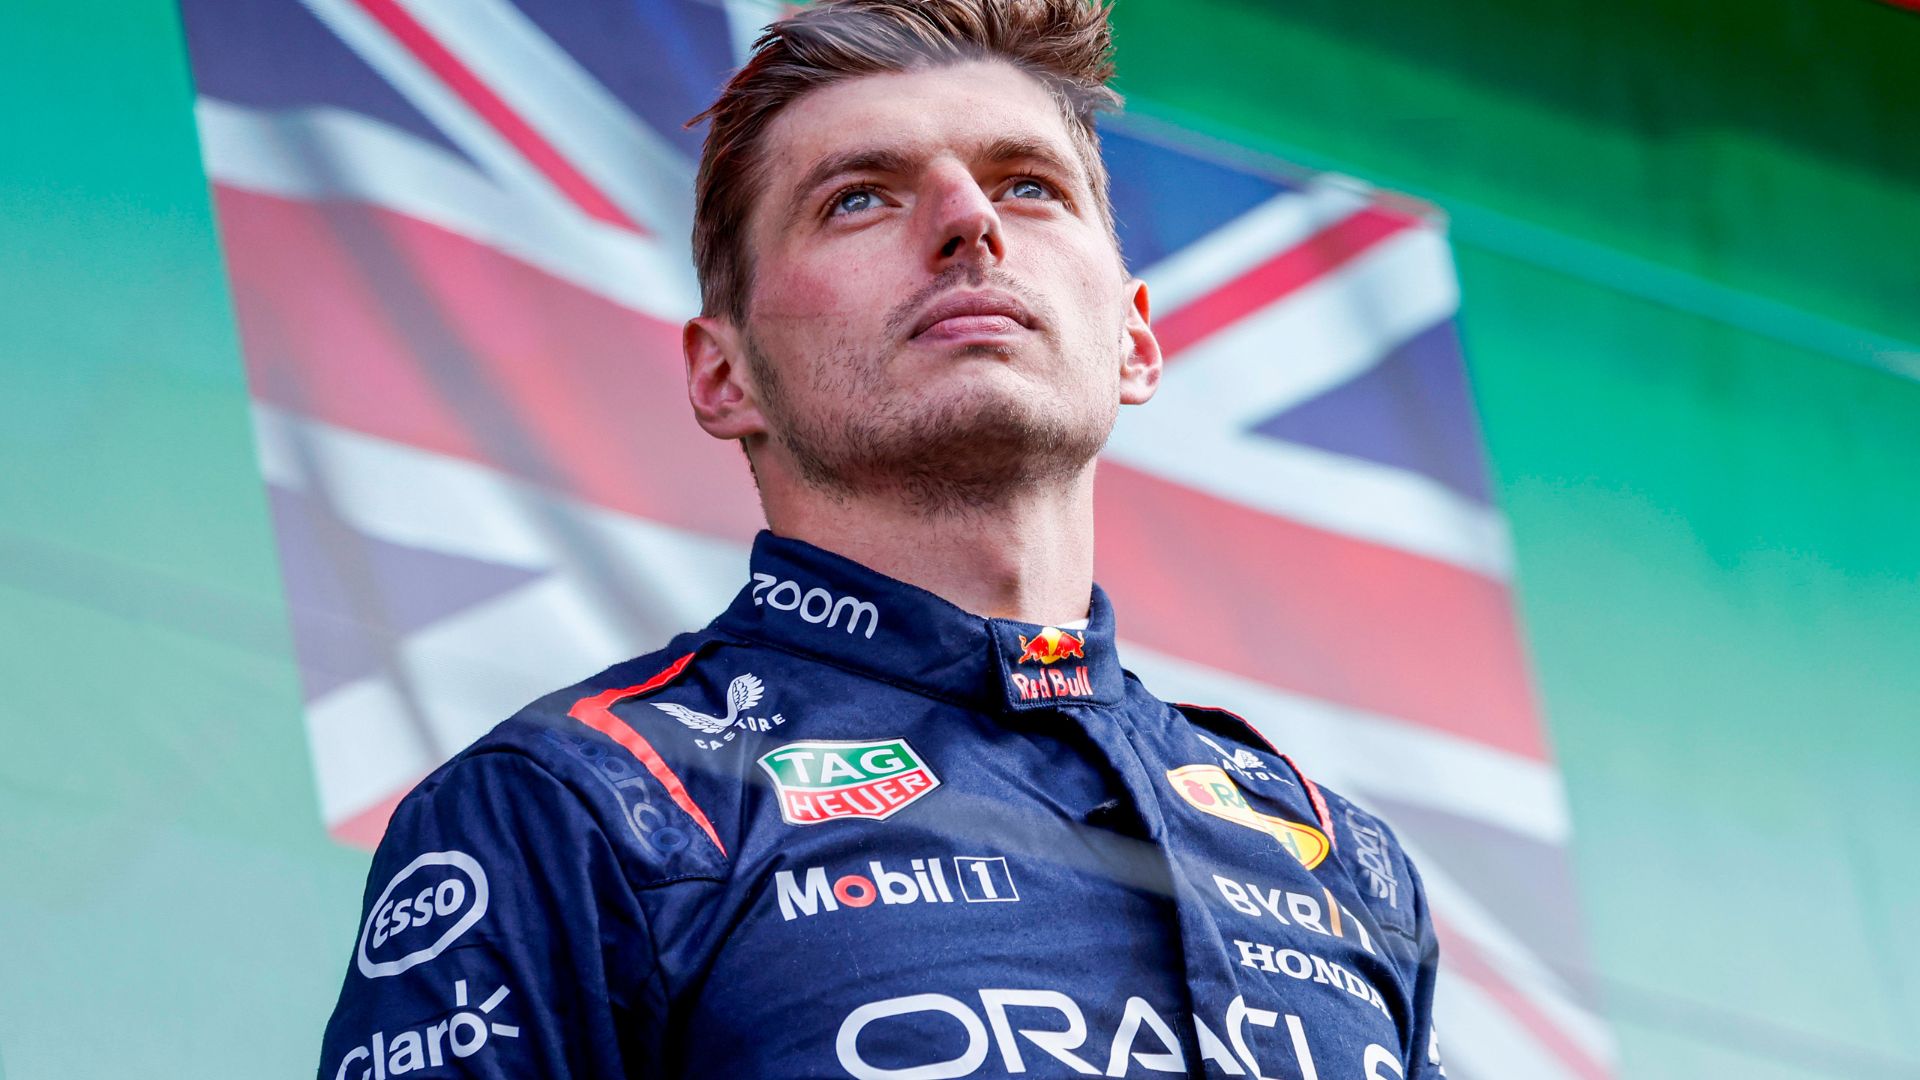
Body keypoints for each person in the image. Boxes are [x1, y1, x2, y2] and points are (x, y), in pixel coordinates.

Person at [318, 1, 1447, 1077]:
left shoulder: (1334, 851)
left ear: (1135, 342)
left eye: (1029, 184)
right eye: (858, 198)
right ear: (724, 373)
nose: (971, 224)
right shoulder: (581, 804)